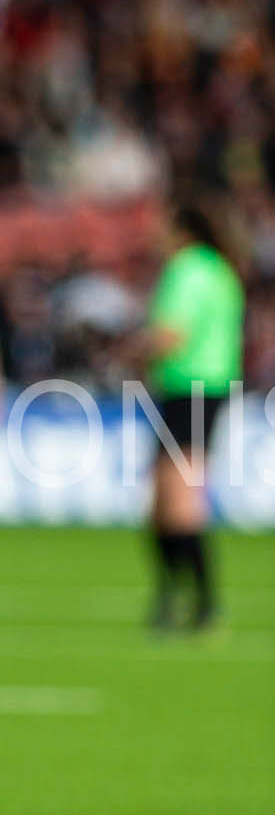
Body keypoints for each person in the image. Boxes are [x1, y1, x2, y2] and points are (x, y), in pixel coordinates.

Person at [141, 198, 244, 631]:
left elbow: (170, 334)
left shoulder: (186, 270)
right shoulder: (221, 270)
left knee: (177, 504)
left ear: (182, 230)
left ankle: (197, 602)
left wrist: (127, 351)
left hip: (189, 390)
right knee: (168, 502)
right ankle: (178, 598)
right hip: (211, 388)